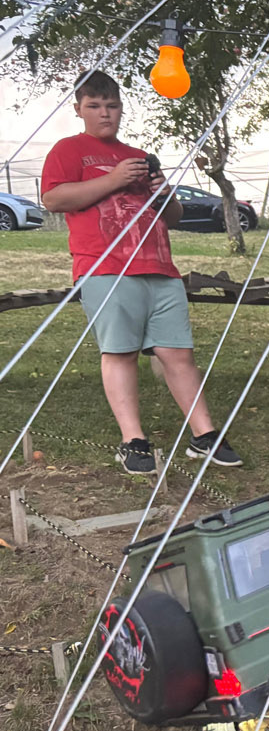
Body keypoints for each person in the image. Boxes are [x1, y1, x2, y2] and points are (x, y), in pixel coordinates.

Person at [41, 70, 242, 474]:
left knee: (178, 354)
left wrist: (163, 194)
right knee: (121, 352)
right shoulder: (69, 150)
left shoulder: (137, 154)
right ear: (78, 109)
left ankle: (204, 435)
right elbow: (53, 199)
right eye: (94, 106)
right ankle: (133, 441)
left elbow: (173, 216)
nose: (104, 113)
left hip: (159, 267)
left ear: (121, 109)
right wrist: (114, 179)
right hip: (105, 267)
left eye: (112, 106)